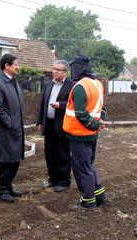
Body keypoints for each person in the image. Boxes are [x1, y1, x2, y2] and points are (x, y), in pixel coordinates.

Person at [63, 53, 107, 210]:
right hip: (91, 135)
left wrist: (95, 124)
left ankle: (88, 201)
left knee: (82, 168)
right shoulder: (97, 84)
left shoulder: (80, 87)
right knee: (88, 165)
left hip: (79, 135)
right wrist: (100, 121)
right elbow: (102, 108)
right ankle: (100, 194)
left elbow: (80, 113)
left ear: (78, 68)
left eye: (72, 67)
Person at [0, 53, 25, 203]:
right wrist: (10, 123)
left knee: (15, 159)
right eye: (15, 64)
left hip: (16, 128)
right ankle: (2, 190)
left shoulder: (12, 81)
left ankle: (8, 186)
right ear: (7, 65)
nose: (18, 67)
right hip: (5, 130)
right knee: (5, 160)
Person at [36, 60, 75, 192]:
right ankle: (52, 179)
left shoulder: (72, 86)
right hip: (49, 124)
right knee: (49, 154)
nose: (55, 72)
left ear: (65, 72)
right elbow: (43, 104)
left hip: (62, 125)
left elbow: (74, 104)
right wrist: (40, 121)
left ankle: (64, 182)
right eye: (54, 69)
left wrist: (61, 105)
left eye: (58, 70)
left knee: (62, 154)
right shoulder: (48, 85)